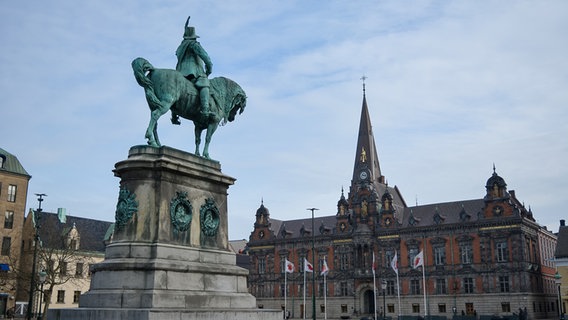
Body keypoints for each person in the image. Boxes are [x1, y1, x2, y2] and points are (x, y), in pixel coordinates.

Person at [172, 16, 213, 124]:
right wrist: (209, 68)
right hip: (193, 72)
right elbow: (205, 57)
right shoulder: (194, 44)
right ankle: (205, 110)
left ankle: (174, 116)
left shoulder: (181, 47)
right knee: (205, 85)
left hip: (180, 73)